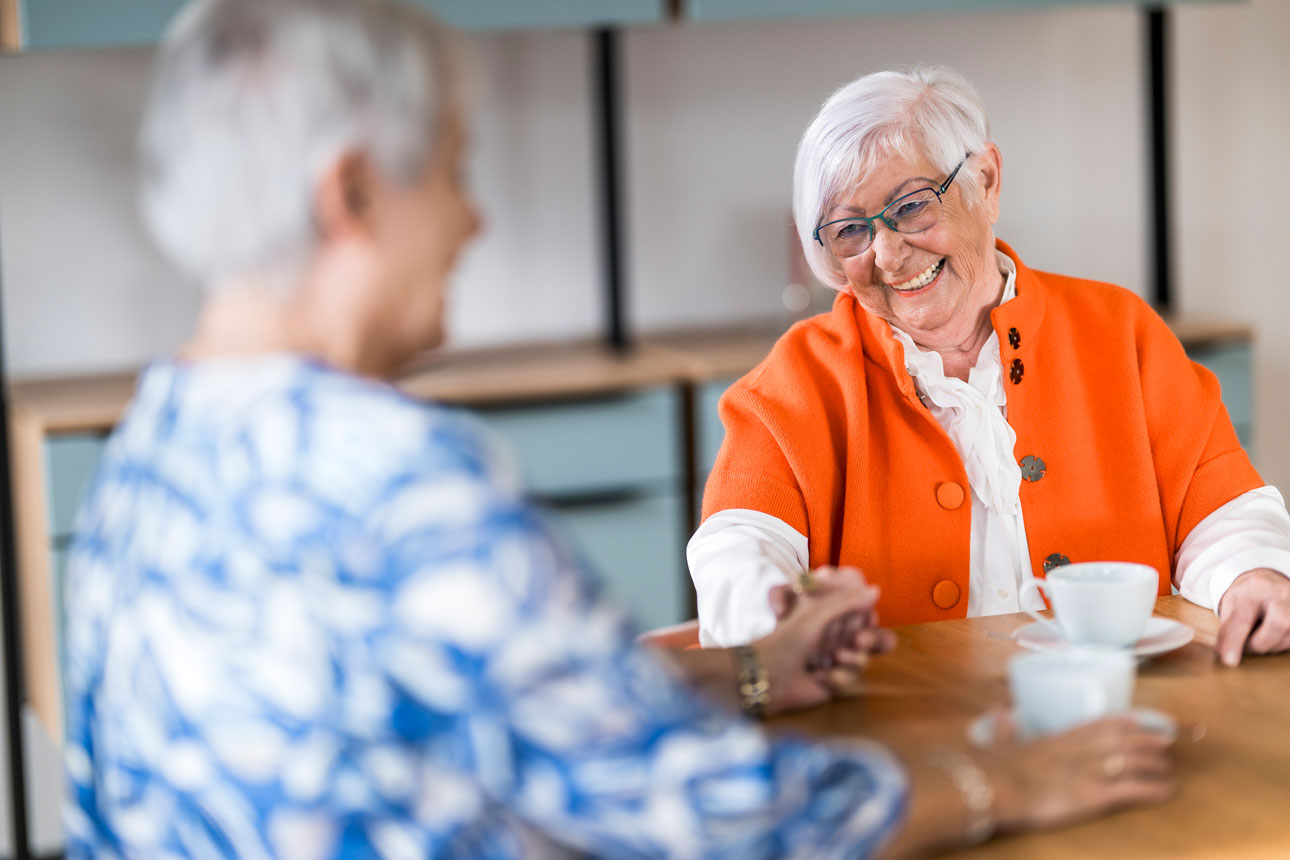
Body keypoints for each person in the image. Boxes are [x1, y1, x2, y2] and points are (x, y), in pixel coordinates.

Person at [62, 4, 1174, 857]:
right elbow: (713, 814)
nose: (473, 218)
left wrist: (744, 670)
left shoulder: (150, 456)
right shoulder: (396, 484)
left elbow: (508, 704)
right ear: (351, 194)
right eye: (453, 170)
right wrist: (1002, 785)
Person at [689, 65, 1290, 666]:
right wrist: (773, 613)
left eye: (912, 206)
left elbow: (1223, 512)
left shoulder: (1121, 331)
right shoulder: (798, 378)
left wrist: (1251, 576)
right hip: (907, 730)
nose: (890, 255)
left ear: (986, 180)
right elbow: (740, 545)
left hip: (1115, 708)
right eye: (852, 230)